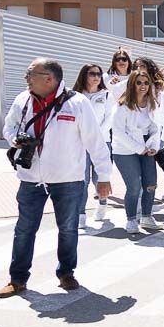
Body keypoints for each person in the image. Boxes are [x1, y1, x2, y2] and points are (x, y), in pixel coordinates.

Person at [0, 58, 112, 299]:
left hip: (68, 179)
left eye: (31, 74)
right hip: (30, 177)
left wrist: (103, 177)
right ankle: (17, 279)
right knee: (24, 229)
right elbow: (7, 128)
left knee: (68, 229)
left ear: (49, 79)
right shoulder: (23, 100)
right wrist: (14, 139)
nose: (26, 78)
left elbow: (96, 142)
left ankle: (66, 273)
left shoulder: (77, 103)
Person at [111, 69, 161, 234]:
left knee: (151, 184)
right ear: (132, 84)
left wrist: (153, 145)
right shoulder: (122, 105)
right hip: (125, 151)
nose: (143, 86)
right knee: (134, 186)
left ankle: (147, 216)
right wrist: (140, 148)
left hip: (147, 149)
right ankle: (131, 219)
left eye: (146, 83)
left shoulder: (152, 104)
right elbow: (118, 132)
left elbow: (156, 127)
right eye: (139, 82)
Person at [72, 63, 114, 227]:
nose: (96, 77)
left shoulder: (106, 95)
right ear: (84, 75)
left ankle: (102, 202)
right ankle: (80, 213)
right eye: (92, 74)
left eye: (98, 74)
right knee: (82, 179)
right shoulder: (75, 95)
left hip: (101, 142)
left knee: (100, 178)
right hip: (80, 144)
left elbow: (109, 118)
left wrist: (94, 135)